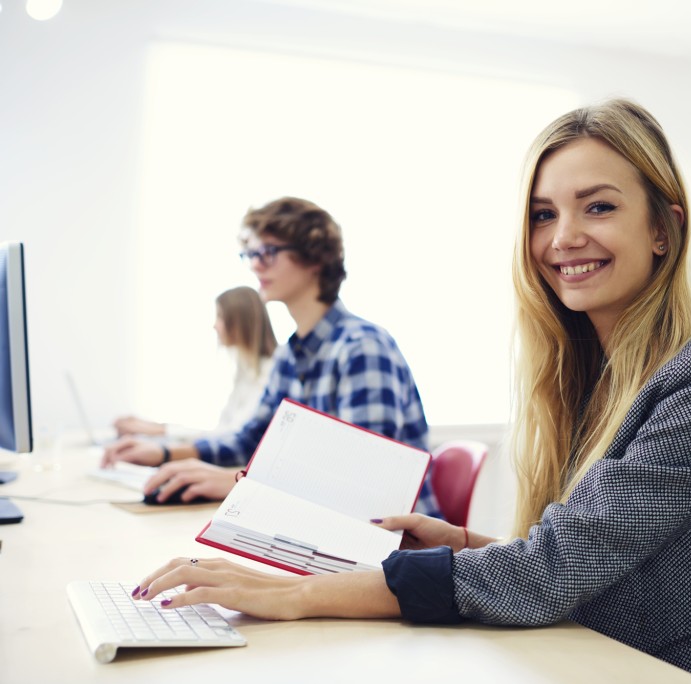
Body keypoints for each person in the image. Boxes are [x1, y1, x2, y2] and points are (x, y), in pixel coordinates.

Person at [128, 101, 691, 682]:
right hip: (620, 657)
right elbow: (600, 561)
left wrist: (299, 594)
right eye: (543, 214)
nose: (564, 237)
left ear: (663, 227)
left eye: (599, 207)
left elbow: (555, 572)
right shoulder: (594, 369)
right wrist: (470, 545)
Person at [102, 197, 441, 518]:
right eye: (250, 254)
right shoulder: (290, 355)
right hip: (331, 532)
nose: (254, 265)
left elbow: (364, 481)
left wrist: (238, 482)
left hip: (396, 551)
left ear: (315, 258)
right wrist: (163, 454)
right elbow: (251, 439)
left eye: (269, 252)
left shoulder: (361, 346)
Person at [112, 286, 277, 440]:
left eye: (220, 317)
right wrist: (150, 427)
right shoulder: (245, 370)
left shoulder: (269, 374)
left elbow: (232, 436)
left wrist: (157, 430)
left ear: (240, 321)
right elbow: (220, 430)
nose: (215, 326)